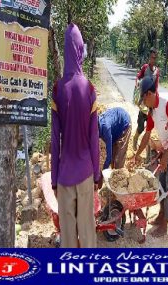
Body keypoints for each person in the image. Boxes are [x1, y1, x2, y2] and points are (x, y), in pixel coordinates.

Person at [51, 23, 99, 248]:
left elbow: (54, 142)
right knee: (88, 232)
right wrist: (97, 174)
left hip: (64, 175)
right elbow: (93, 140)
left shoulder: (57, 90)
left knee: (67, 236)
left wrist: (53, 178)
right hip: (86, 172)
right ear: (80, 50)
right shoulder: (89, 89)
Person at [133, 77, 168, 237]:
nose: (143, 101)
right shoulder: (152, 110)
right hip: (167, 147)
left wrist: (167, 154)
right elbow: (147, 134)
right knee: (161, 183)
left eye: (143, 98)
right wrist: (136, 154)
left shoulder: (167, 103)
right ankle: (161, 215)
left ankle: (165, 225)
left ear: (150, 93)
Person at [133, 47, 160, 151]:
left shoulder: (157, 71)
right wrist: (137, 84)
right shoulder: (145, 67)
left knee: (150, 127)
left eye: (155, 57)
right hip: (143, 101)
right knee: (141, 125)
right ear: (149, 57)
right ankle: (135, 139)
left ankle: (148, 148)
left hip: (151, 102)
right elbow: (138, 77)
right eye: (152, 57)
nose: (153, 59)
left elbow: (156, 86)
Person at [99, 107, 131, 172]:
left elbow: (109, 156)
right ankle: (113, 172)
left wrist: (103, 171)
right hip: (115, 127)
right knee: (113, 153)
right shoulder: (95, 127)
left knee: (119, 158)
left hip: (124, 124)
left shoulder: (105, 128)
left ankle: (118, 176)